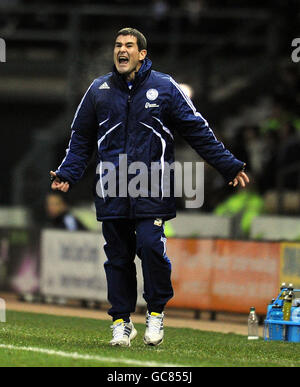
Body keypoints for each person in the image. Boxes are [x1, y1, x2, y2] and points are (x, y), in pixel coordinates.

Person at [50, 27, 249, 347]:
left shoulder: (165, 87)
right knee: (118, 257)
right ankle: (121, 322)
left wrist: (227, 164)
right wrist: (68, 173)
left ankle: (155, 314)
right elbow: (81, 138)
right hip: (111, 187)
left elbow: (197, 129)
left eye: (129, 45)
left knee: (151, 247)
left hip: (152, 185)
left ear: (142, 54)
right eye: (117, 45)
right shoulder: (98, 89)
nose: (121, 50)